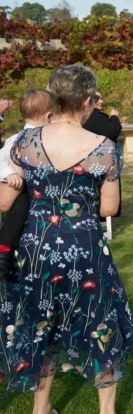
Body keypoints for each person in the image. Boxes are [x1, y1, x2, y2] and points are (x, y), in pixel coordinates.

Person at [0, 65, 133, 414]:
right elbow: (109, 207)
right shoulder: (105, 148)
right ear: (88, 100)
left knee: (40, 323)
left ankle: (40, 409)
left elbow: (6, 198)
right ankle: (106, 411)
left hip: (36, 247)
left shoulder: (25, 143)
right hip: (85, 246)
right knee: (99, 320)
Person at [0, 89, 53, 294]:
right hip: (20, 189)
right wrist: (8, 174)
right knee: (19, 207)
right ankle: (4, 249)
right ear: (49, 115)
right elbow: (1, 157)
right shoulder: (20, 139)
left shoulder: (25, 137)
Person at [83, 90, 125, 218]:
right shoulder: (94, 116)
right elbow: (112, 131)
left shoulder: (93, 116)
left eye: (101, 98)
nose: (101, 101)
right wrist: (114, 117)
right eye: (97, 98)